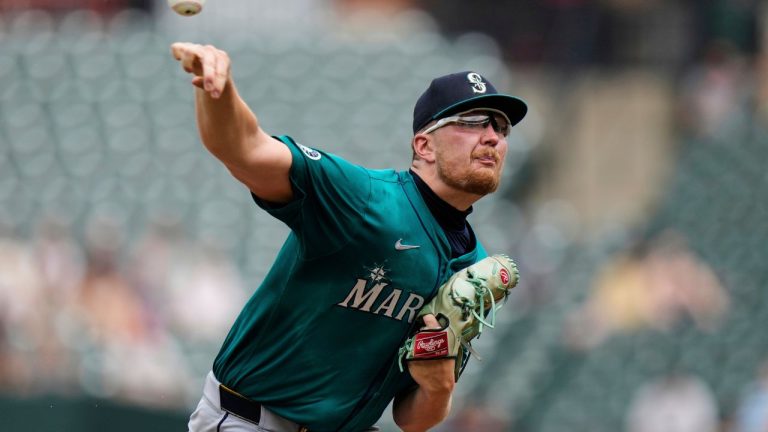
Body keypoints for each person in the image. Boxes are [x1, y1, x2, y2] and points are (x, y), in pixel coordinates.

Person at [171, 42, 527, 432]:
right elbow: (243, 148)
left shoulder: (475, 271)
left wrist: (439, 387)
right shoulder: (362, 197)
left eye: (501, 127)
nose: (493, 136)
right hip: (253, 420)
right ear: (424, 145)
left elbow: (411, 418)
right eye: (474, 121)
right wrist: (216, 90)